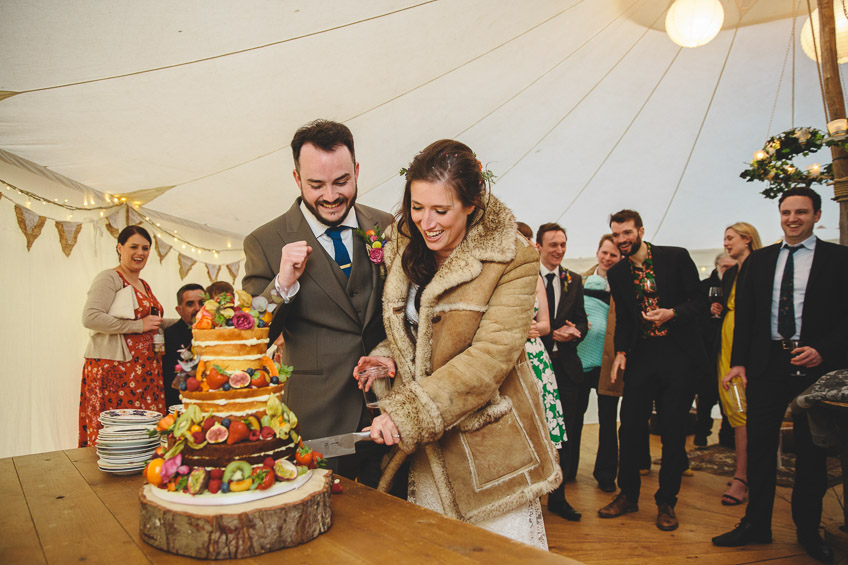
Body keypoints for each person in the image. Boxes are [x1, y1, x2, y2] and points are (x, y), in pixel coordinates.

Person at [356, 140, 560, 549]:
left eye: (440, 210)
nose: (425, 222)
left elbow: (490, 359)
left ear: (471, 203)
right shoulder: (401, 248)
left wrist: (406, 414)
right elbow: (413, 336)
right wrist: (385, 357)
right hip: (428, 453)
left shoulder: (513, 256)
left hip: (487, 451)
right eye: (416, 207)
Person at [242, 119, 394, 487]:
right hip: (317, 419)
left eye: (341, 181)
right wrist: (282, 284)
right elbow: (253, 335)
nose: (330, 195)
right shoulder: (264, 240)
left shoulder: (387, 226)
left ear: (356, 171)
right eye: (316, 184)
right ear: (297, 179)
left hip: (387, 414)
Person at [712, 187, 848, 563]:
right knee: (758, 448)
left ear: (817, 216)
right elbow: (748, 315)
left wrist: (825, 350)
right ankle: (755, 524)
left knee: (810, 453)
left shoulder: (838, 259)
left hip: (815, 367)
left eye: (801, 212)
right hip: (766, 365)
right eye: (787, 212)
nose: (793, 219)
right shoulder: (760, 260)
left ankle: (808, 531)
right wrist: (739, 361)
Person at [598, 209, 707, 532]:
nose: (621, 241)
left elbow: (700, 301)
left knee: (673, 432)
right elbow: (625, 320)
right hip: (642, 358)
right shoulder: (617, 274)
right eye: (616, 235)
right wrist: (620, 353)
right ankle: (628, 495)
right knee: (629, 427)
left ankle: (666, 503)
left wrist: (672, 313)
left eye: (626, 233)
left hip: (678, 356)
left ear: (641, 231)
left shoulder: (675, 257)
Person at [79, 225, 173, 446]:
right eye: (134, 247)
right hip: (115, 370)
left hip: (144, 372)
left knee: (143, 435)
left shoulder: (144, 285)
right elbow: (91, 317)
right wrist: (138, 326)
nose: (140, 253)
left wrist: (193, 321)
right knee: (117, 434)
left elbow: (153, 323)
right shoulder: (110, 277)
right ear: (120, 248)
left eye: (145, 248)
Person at [535, 222, 587, 521]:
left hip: (565, 368)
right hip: (535, 367)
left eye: (563, 244)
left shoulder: (574, 280)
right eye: (553, 244)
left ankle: (559, 497)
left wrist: (575, 331)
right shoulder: (527, 277)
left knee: (564, 435)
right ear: (539, 246)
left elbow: (581, 320)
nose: (559, 250)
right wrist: (550, 332)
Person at [519, 223, 571, 517]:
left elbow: (547, 325)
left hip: (535, 356)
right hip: (509, 355)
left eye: (526, 240)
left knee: (544, 429)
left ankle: (549, 492)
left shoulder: (536, 278)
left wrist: (534, 328)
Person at [710, 222, 762, 506]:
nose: (726, 243)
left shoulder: (761, 268)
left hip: (748, 344)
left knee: (744, 408)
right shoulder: (731, 274)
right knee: (733, 405)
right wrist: (719, 308)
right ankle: (745, 469)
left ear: (747, 238)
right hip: (727, 340)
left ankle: (743, 475)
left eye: (730, 238)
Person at [577, 234, 622, 493]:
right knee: (575, 415)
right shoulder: (579, 280)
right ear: (597, 253)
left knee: (608, 418)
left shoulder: (622, 284)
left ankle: (605, 474)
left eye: (613, 255)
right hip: (580, 359)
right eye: (604, 253)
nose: (607, 258)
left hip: (609, 361)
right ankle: (568, 469)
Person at [162, 283, 204, 409]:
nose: (198, 308)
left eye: (202, 303)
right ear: (179, 310)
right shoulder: (169, 336)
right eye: (190, 304)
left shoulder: (217, 332)